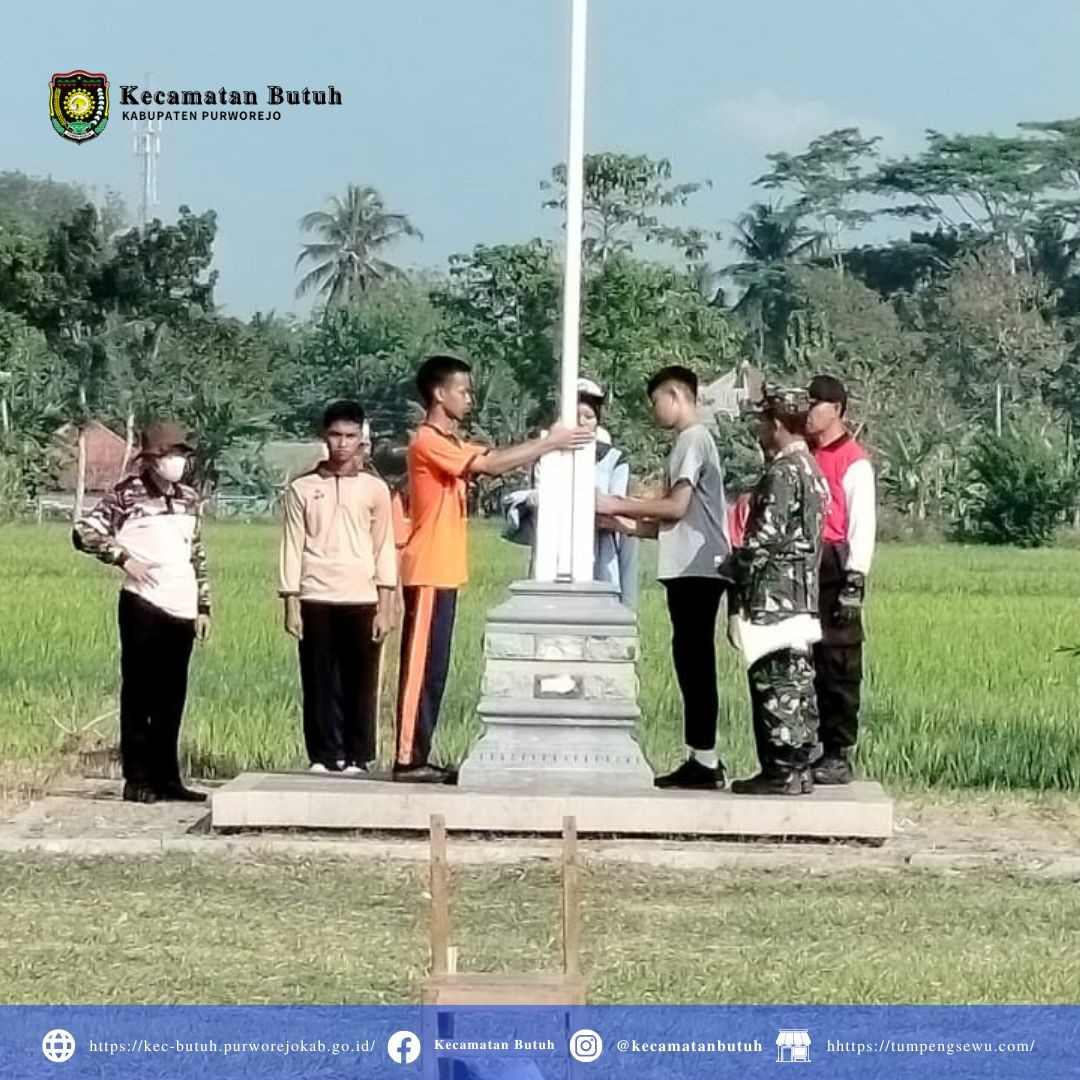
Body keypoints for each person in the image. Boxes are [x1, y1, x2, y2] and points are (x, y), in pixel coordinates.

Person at [394, 353, 593, 783]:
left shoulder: (450, 442)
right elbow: (489, 464)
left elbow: (491, 457)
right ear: (439, 393)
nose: (469, 398)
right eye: (462, 390)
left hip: (445, 570)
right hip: (427, 568)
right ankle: (407, 757)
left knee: (436, 669)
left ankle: (420, 752)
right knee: (418, 669)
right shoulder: (427, 441)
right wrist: (551, 442)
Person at [596, 365, 730, 789]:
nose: (655, 412)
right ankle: (700, 755)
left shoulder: (693, 439)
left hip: (698, 567)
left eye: (657, 402)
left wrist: (616, 502)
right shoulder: (686, 443)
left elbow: (674, 508)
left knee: (695, 661)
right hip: (686, 565)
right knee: (689, 660)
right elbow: (666, 522)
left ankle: (705, 760)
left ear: (676, 395)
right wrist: (617, 520)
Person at [72, 420, 211, 804]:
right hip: (143, 604)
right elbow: (85, 531)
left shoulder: (188, 498)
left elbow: (195, 554)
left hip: (181, 606)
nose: (177, 462)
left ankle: (168, 777)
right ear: (152, 460)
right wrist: (123, 559)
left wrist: (204, 605)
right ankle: (138, 778)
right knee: (140, 694)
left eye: (181, 455)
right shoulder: (127, 494)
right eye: (170, 455)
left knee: (172, 697)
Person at [718, 388, 830, 796]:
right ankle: (798, 768)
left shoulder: (782, 473)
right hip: (803, 594)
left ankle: (779, 770)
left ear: (778, 423)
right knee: (798, 682)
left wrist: (730, 570)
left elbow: (763, 540)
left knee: (776, 683)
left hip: (773, 597)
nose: (761, 430)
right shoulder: (813, 470)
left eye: (765, 421)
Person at [279, 401, 398, 775]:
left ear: (362, 439)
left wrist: (386, 602)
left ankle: (358, 754)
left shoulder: (375, 489)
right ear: (324, 437)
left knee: (360, 682)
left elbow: (383, 546)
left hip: (360, 596)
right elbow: (292, 545)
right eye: (335, 435)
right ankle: (324, 754)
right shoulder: (302, 488)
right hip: (316, 593)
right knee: (318, 680)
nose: (342, 444)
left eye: (350, 436)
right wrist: (290, 601)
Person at [503, 378, 638, 608]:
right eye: (576, 415)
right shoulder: (548, 456)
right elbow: (540, 497)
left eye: (589, 416)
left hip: (602, 553)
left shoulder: (614, 459)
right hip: (553, 551)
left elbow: (616, 506)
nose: (582, 422)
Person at [805, 374, 877, 784]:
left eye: (816, 404)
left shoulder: (853, 460)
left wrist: (856, 579)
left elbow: (861, 525)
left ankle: (837, 751)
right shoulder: (805, 455)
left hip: (836, 563)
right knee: (805, 659)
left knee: (839, 660)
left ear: (837, 409)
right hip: (808, 562)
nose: (810, 412)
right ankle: (808, 744)